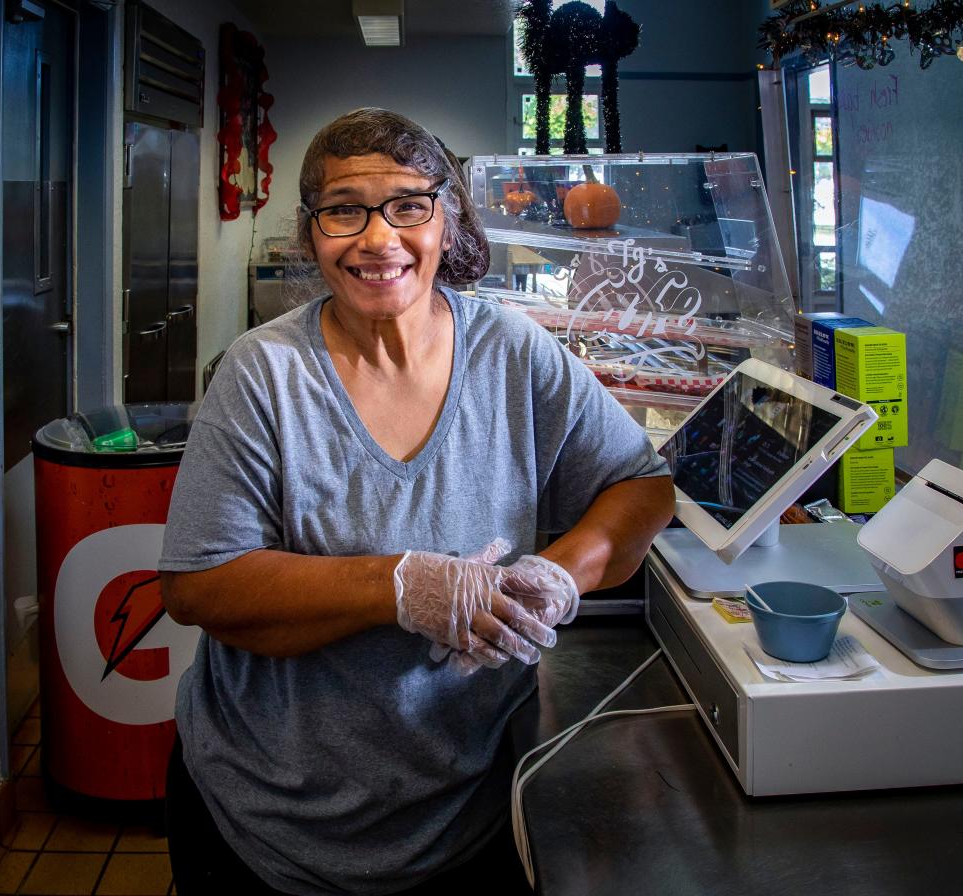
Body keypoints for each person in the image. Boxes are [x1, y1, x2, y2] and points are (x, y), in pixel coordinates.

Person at [159, 107, 675, 895]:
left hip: (465, 813)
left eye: (408, 205)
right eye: (344, 211)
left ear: (448, 218)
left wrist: (562, 574)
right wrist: (396, 585)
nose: (377, 238)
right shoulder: (262, 375)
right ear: (311, 234)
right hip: (266, 823)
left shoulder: (512, 352)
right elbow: (198, 585)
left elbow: (640, 488)